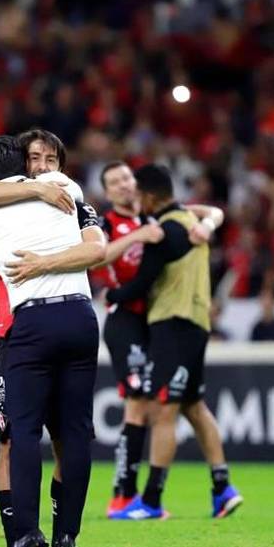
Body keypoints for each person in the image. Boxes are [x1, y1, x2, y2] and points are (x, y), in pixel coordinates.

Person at [0, 135, 104, 547]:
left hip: (29, 326)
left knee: (21, 434)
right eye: (35, 161)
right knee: (75, 434)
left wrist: (31, 262)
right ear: (27, 168)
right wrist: (39, 189)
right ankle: (66, 539)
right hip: (81, 318)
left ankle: (26, 535)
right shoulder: (65, 189)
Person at [105, 164, 243, 521]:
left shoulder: (163, 232)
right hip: (197, 321)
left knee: (162, 409)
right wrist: (211, 222)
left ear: (149, 197)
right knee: (194, 406)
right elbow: (214, 212)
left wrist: (113, 293)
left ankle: (150, 500)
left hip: (172, 322)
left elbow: (141, 283)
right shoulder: (187, 220)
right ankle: (222, 488)